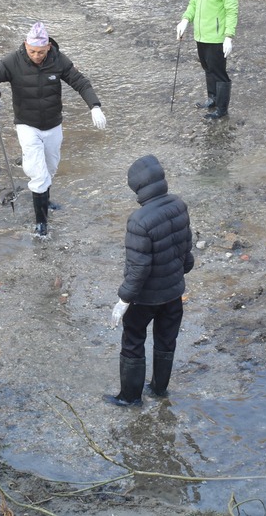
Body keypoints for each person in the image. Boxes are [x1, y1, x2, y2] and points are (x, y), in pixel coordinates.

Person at [0, 22, 106, 237]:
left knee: (50, 168)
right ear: (25, 46)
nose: (36, 56)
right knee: (38, 174)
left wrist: (94, 107)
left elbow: (81, 83)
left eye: (40, 52)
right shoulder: (14, 61)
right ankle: (41, 225)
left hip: (53, 124)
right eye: (32, 51)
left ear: (48, 47)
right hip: (27, 125)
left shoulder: (59, 60)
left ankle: (44, 202)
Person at [106, 155, 194, 407]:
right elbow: (186, 252)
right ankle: (158, 389)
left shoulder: (139, 220)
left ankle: (130, 398)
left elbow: (138, 268)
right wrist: (177, 274)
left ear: (137, 187)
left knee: (133, 341)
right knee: (166, 340)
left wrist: (124, 299)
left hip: (144, 299)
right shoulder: (179, 205)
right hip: (173, 295)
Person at [176, 0, 239, 120]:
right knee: (207, 67)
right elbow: (194, 2)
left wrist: (228, 36)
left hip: (217, 36)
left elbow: (232, 10)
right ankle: (212, 98)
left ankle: (222, 108)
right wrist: (185, 20)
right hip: (201, 34)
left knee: (219, 72)